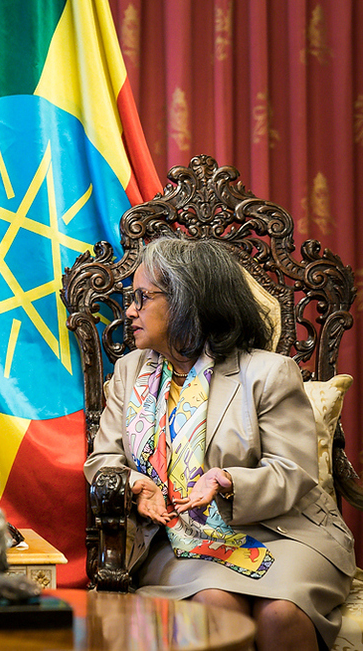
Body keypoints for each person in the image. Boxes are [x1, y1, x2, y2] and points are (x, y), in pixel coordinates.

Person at [84, 237, 355, 650]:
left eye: (143, 297)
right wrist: (137, 486)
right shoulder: (129, 371)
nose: (131, 310)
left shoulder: (269, 373)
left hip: (282, 533)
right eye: (130, 297)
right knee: (214, 606)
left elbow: (293, 472)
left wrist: (227, 481)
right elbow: (103, 460)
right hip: (179, 537)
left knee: (280, 614)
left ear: (187, 302)